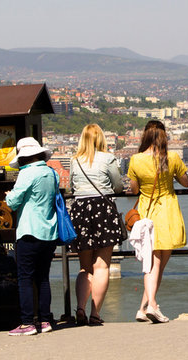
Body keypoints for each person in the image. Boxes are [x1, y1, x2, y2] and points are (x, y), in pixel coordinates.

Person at [128, 120, 188, 323]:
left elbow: (134, 190)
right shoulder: (171, 157)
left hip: (147, 212)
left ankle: (143, 308)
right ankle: (152, 305)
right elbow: (186, 182)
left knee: (153, 263)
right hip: (168, 213)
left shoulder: (135, 160)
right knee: (156, 265)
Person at [69, 124, 124, 326]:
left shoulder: (75, 161)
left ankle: (80, 308)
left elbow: (71, 187)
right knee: (102, 266)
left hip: (81, 209)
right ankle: (95, 313)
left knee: (85, 267)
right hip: (103, 210)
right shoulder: (108, 158)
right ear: (101, 139)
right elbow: (118, 186)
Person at [5, 137, 58, 335]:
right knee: (43, 277)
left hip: (29, 231)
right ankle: (45, 320)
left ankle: (27, 322)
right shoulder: (51, 173)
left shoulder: (27, 174)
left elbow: (12, 202)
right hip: (49, 232)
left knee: (25, 278)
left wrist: (9, 194)